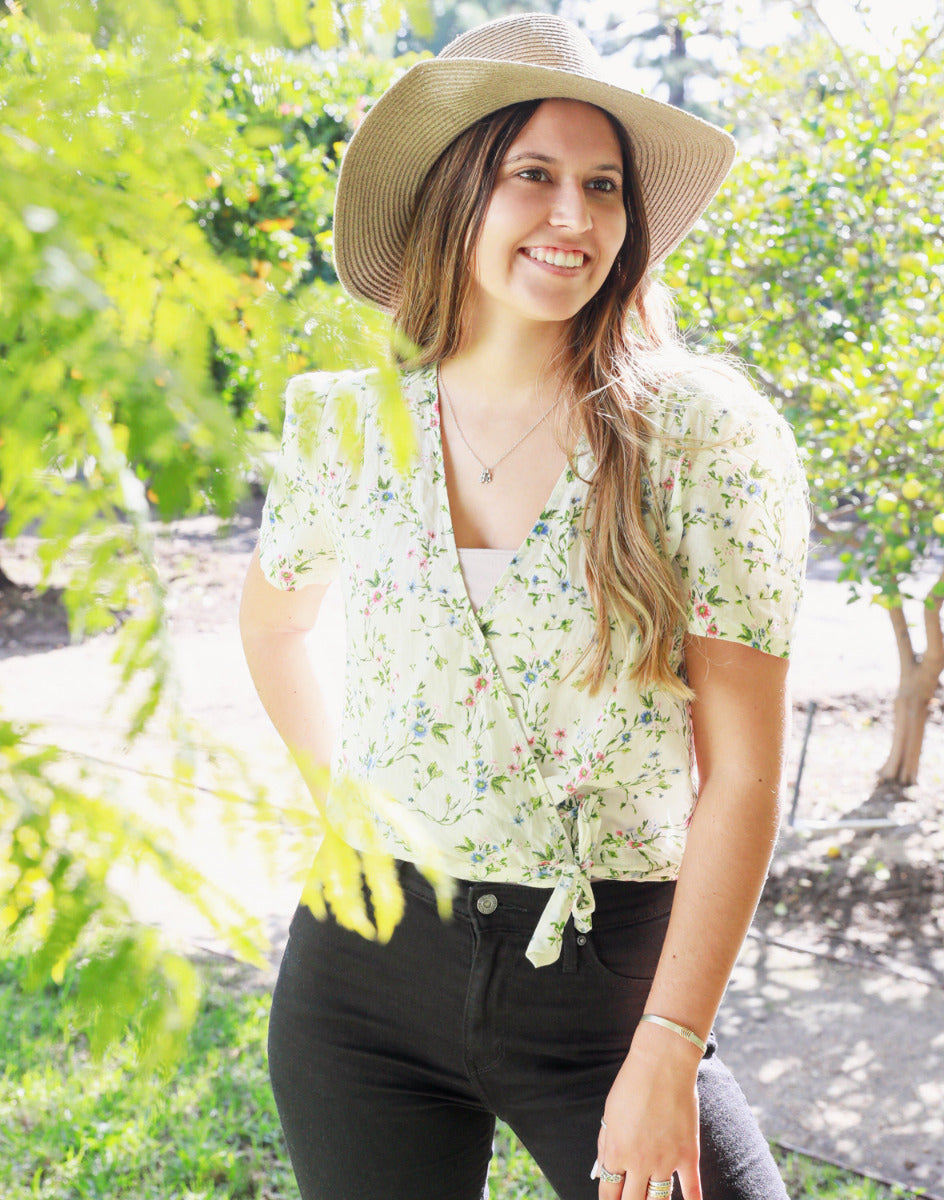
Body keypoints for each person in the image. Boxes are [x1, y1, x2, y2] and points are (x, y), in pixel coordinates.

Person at [239, 13, 810, 1200]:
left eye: (603, 187)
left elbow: (745, 776)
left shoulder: (702, 439)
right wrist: (341, 797)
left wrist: (668, 1047)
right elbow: (275, 622)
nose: (576, 216)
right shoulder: (347, 424)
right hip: (362, 976)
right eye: (533, 176)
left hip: (608, 987)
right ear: (456, 197)